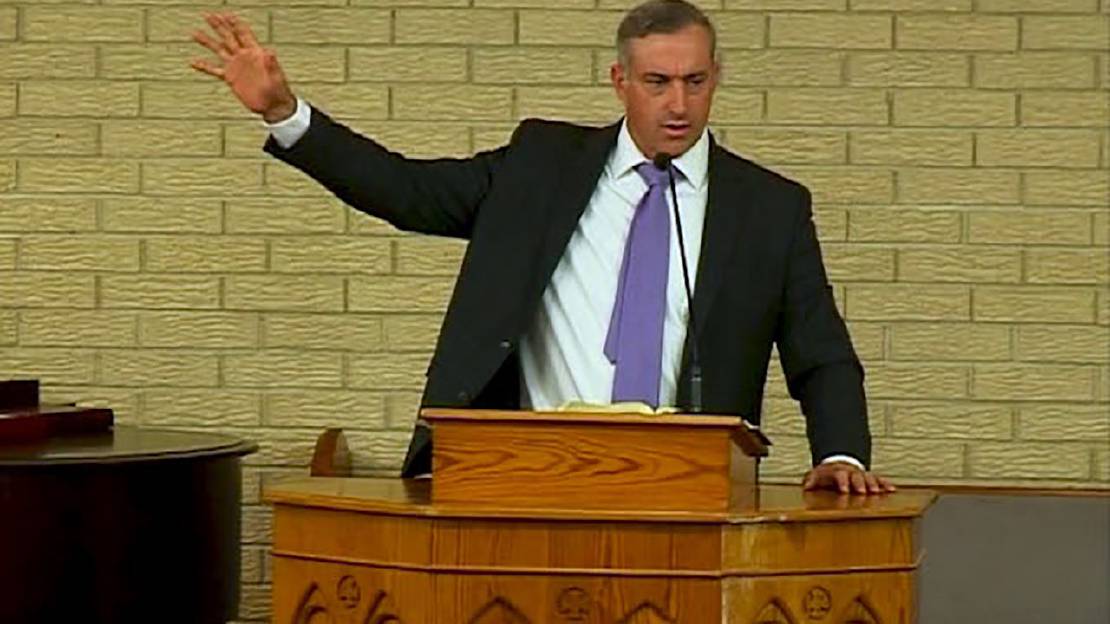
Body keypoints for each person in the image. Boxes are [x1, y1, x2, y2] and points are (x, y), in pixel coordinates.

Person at [190, 0, 895, 494]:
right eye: (657, 82)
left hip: (689, 490)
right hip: (523, 475)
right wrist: (286, 113)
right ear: (620, 82)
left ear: (717, 79)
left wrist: (842, 454)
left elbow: (822, 353)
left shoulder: (770, 207)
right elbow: (406, 190)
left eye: (695, 81)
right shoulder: (540, 166)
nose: (678, 104)